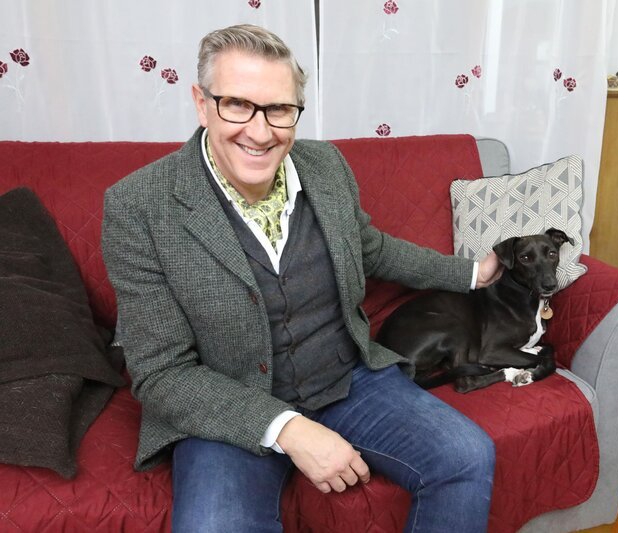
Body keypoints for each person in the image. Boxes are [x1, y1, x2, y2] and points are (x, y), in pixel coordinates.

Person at [102, 24, 502, 533]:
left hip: (345, 377)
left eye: (279, 109)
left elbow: (372, 249)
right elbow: (160, 374)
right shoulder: (138, 205)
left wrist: (472, 272)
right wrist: (287, 428)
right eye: (237, 105)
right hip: (227, 404)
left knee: (468, 455)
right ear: (201, 104)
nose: (261, 131)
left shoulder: (326, 165)